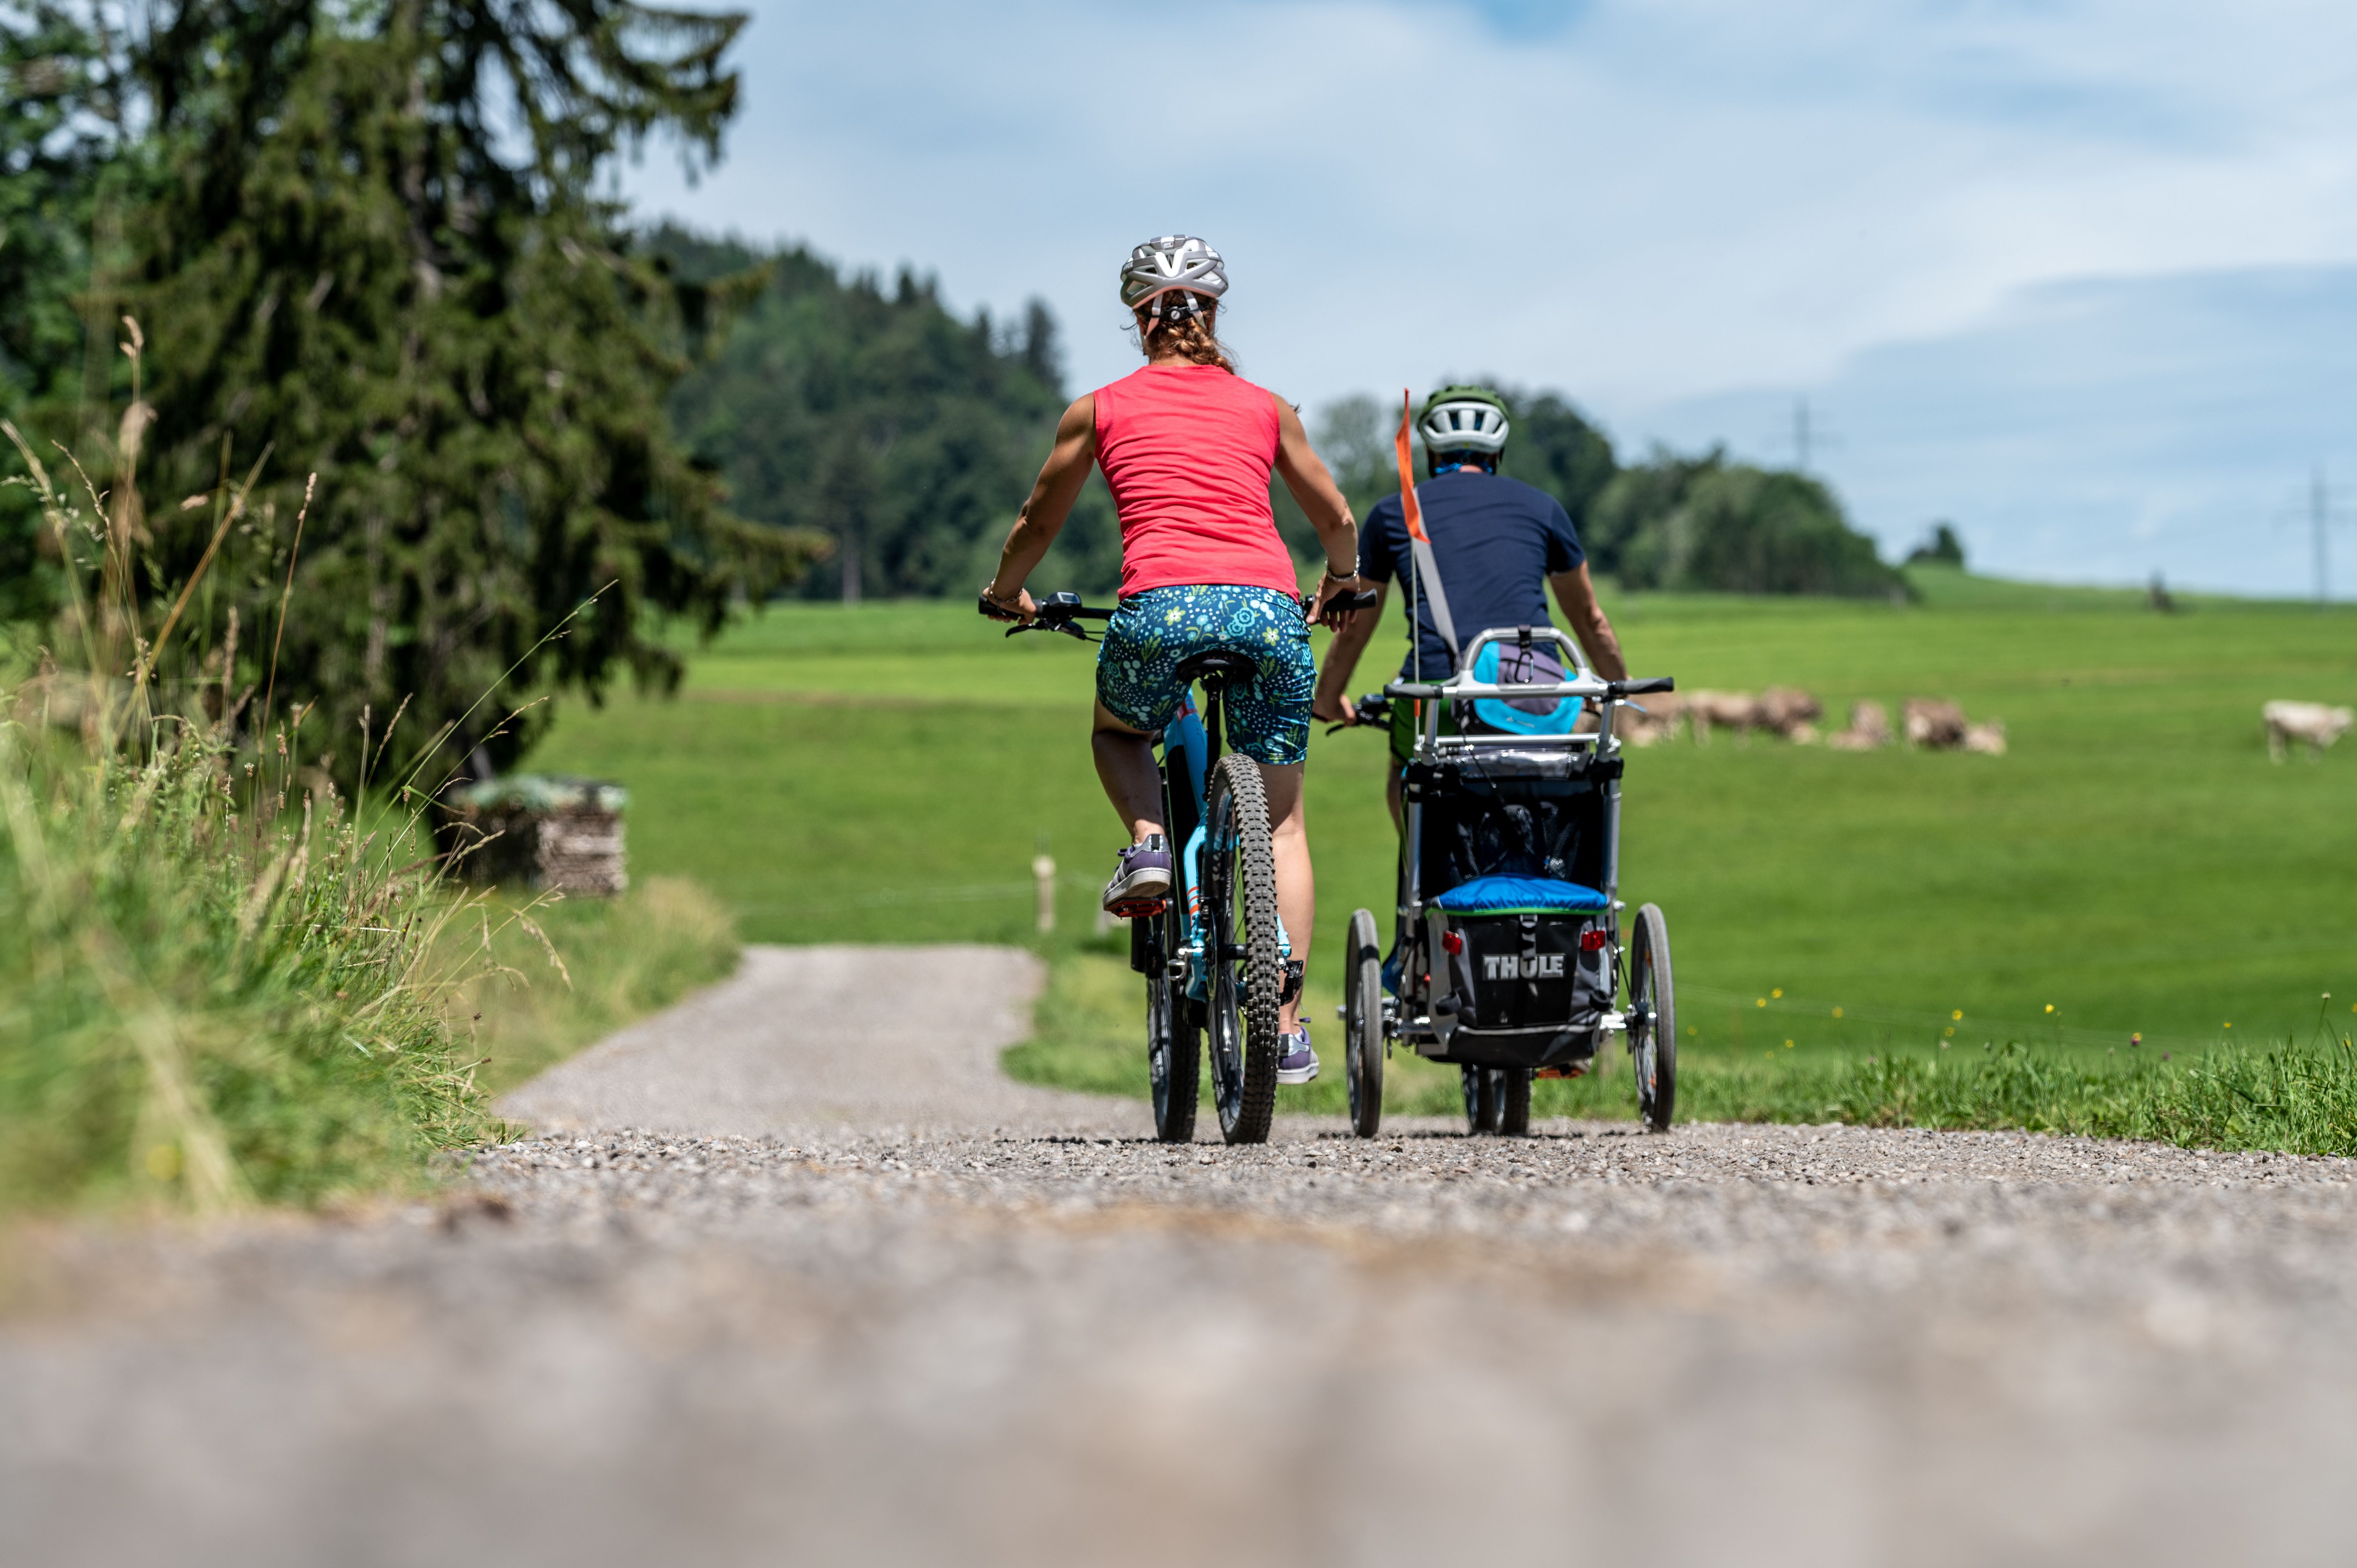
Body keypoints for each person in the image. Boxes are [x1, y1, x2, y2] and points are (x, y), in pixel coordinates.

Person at [980, 236, 1371, 1084]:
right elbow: (1338, 518)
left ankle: (1152, 842)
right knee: (1283, 822)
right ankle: (1288, 1023)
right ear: (1213, 313)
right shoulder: (1268, 408)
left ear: (1138, 318)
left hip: (1158, 610)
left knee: (1119, 733)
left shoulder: (1100, 408)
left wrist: (1010, 589)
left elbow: (1037, 519)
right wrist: (1339, 582)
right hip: (1271, 616)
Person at [1313, 384, 1628, 828]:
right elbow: (1591, 620)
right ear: (1497, 452)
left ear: (1428, 452)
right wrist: (1621, 691)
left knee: (1405, 771)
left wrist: (1328, 697)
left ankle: (1420, 880)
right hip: (1538, 695)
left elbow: (1356, 625)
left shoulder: (1393, 514)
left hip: (1442, 698)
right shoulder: (1545, 509)